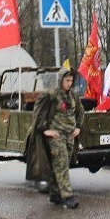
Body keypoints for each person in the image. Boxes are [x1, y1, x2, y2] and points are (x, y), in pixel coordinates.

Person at [29, 68, 84, 208]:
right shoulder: (51, 95)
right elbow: (39, 113)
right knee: (62, 164)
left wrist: (78, 127)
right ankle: (68, 196)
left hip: (69, 136)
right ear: (61, 80)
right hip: (57, 136)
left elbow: (80, 111)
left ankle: (55, 194)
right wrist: (45, 130)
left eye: (71, 80)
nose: (69, 83)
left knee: (62, 165)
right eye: (67, 80)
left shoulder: (73, 95)